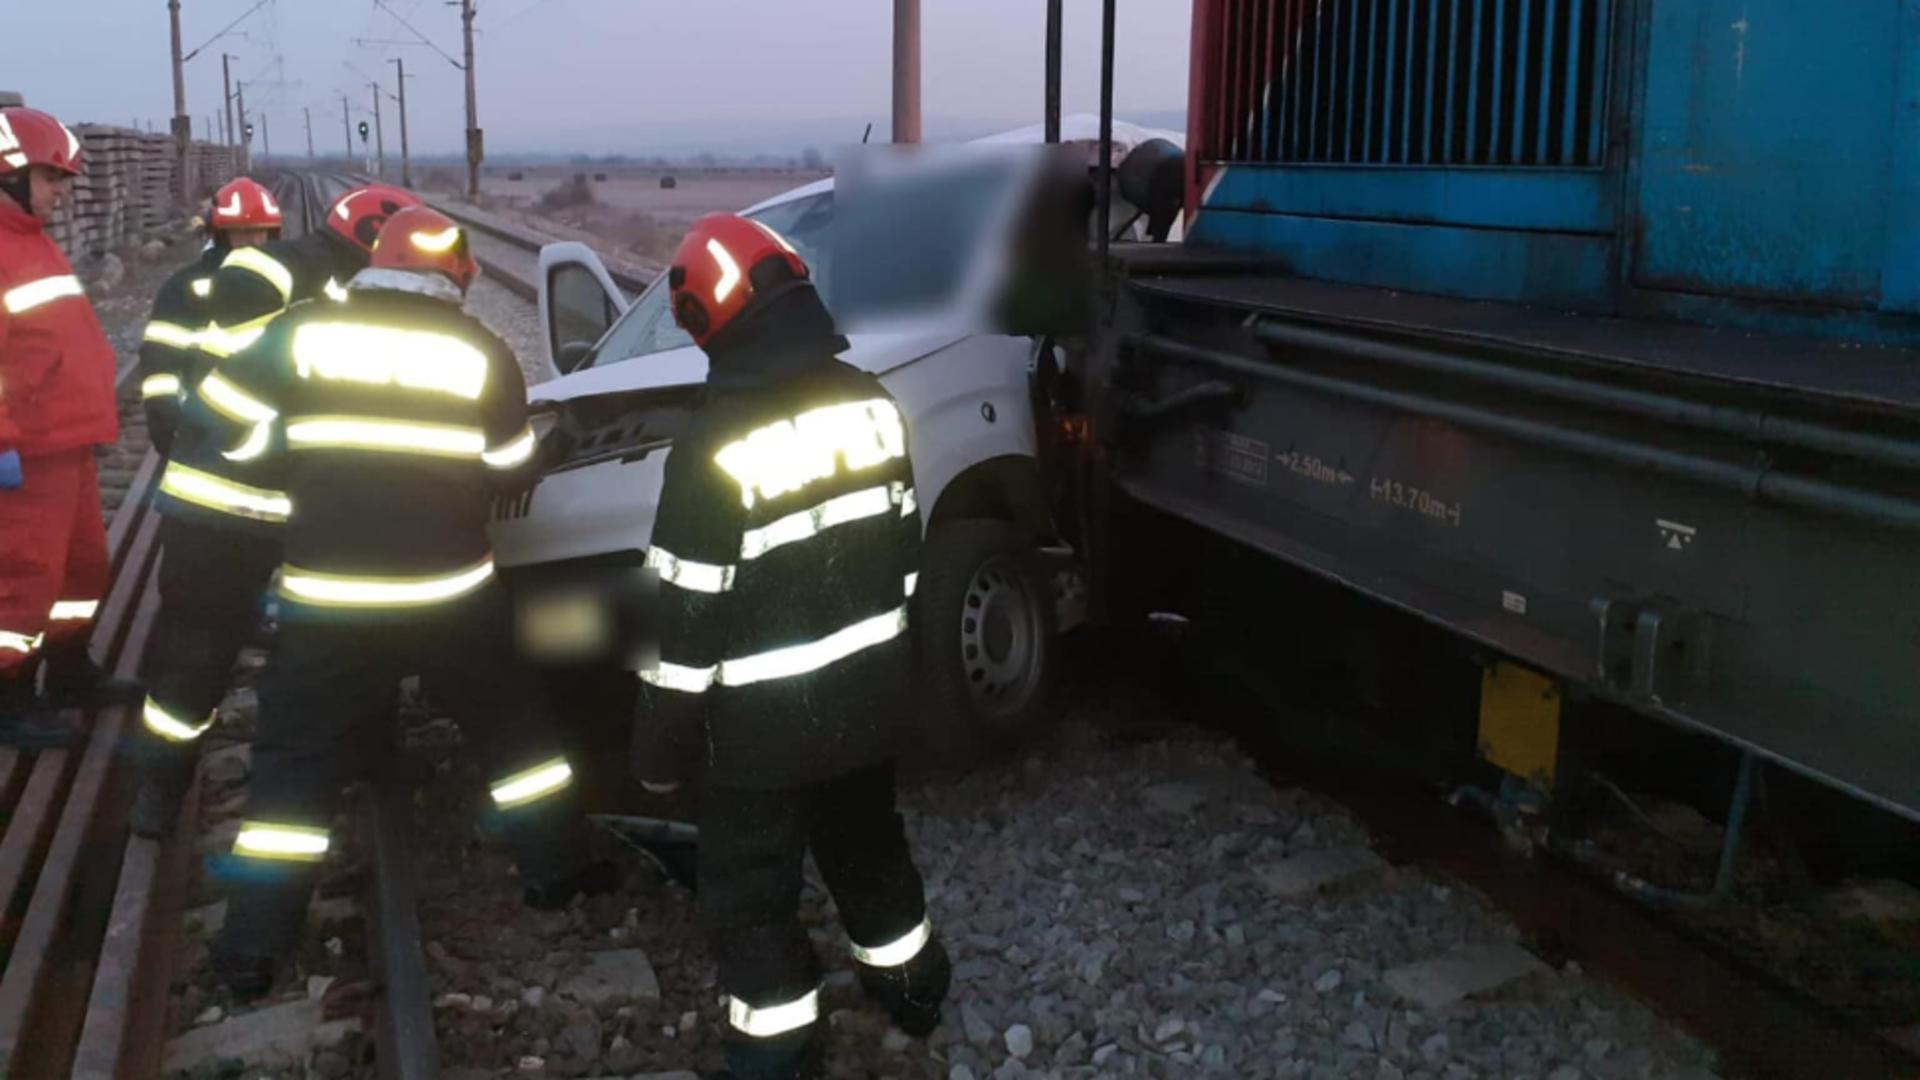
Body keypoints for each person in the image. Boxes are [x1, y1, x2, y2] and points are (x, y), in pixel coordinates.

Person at [201, 206, 612, 999]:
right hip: (449, 596)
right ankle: (558, 872)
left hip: (329, 601)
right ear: (456, 275)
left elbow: (224, 432)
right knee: (516, 736)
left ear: (374, 262)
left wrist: (303, 469)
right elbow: (509, 470)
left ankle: (252, 946)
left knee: (293, 769)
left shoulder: (302, 332)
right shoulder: (480, 352)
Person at [636, 213, 949, 1080]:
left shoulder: (710, 447)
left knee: (750, 895)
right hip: (868, 703)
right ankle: (915, 991)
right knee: (869, 849)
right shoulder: (873, 403)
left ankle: (777, 1053)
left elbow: (690, 627)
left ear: (708, 319)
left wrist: (658, 746)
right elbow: (906, 557)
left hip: (758, 739)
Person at [130, 182, 422, 837]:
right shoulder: (313, 287)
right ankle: (368, 762)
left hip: (221, 504)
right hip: (280, 501)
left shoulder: (280, 272)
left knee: (193, 654)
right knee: (345, 635)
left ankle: (158, 792)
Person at [0, 105, 140, 747]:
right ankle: (7, 699)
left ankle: (68, 673)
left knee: (82, 567)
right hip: (21, 452)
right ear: (9, 172)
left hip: (63, 442)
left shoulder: (28, 235)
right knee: (21, 578)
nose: (63, 192)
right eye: (52, 177)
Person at [135, 176, 284, 458]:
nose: (253, 242)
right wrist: (164, 417)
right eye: (242, 232)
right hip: (205, 429)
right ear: (221, 234)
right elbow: (160, 359)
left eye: (262, 232)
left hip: (275, 431)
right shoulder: (183, 288)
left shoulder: (288, 283)